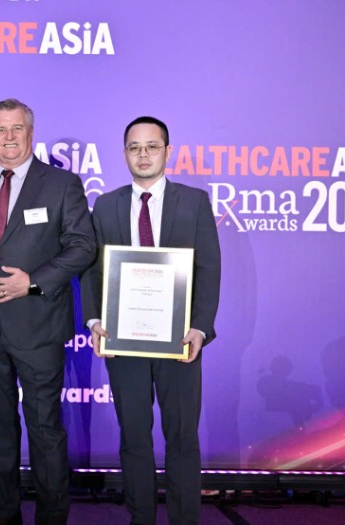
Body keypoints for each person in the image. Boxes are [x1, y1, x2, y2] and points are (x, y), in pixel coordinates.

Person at [0, 98, 96, 525]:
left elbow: (83, 246)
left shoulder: (61, 184)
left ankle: (52, 516)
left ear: (30, 133)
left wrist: (32, 281)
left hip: (38, 325)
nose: (9, 137)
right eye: (0, 129)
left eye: (16, 128)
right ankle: (3, 511)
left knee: (44, 429)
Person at [80, 116, 221, 525]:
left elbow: (209, 268)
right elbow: (93, 269)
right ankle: (140, 517)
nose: (143, 155)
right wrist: (94, 320)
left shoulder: (194, 202)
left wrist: (200, 328)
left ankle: (184, 519)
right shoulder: (106, 204)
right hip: (123, 340)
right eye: (134, 147)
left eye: (152, 146)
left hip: (180, 341)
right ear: (124, 153)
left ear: (167, 151)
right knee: (134, 437)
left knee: (182, 437)